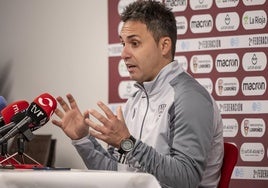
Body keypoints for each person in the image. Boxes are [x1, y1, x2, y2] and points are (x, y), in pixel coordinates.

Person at [52, 1, 224, 187]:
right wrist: (83, 140)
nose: (124, 53)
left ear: (164, 45)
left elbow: (185, 178)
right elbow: (115, 174)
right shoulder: (136, 100)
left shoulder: (190, 98)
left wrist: (127, 143)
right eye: (123, 44)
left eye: (134, 43)